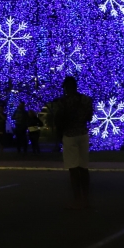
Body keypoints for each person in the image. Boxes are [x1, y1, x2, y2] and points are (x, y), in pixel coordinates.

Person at [52, 76, 93, 209]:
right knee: (83, 167)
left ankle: (77, 199)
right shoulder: (86, 100)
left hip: (69, 135)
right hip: (82, 133)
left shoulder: (62, 102)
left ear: (66, 88)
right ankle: (86, 198)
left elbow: (58, 120)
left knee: (73, 169)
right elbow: (89, 117)